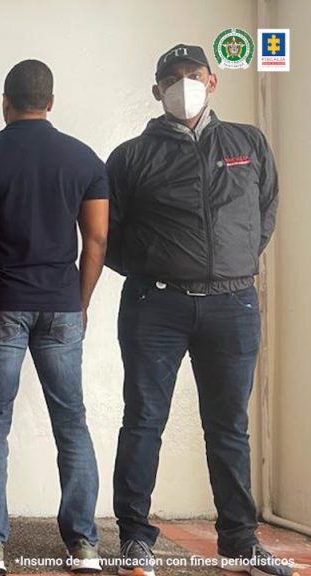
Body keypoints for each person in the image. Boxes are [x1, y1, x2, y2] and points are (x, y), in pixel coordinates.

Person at [107, 44, 291, 576]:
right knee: (143, 421)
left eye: (193, 75)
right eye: (172, 77)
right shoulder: (130, 156)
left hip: (233, 304)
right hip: (154, 305)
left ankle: (239, 537)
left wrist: (230, 264)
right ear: (156, 89)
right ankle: (135, 538)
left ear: (212, 81)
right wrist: (156, 268)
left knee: (229, 425)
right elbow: (109, 234)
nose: (183, 84)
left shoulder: (248, 143)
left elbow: (265, 212)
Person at [0, 59, 109, 575]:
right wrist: (80, 300)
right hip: (61, 302)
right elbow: (98, 239)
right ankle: (83, 545)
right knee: (72, 421)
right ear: (51, 102)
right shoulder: (84, 158)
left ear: (4, 102)